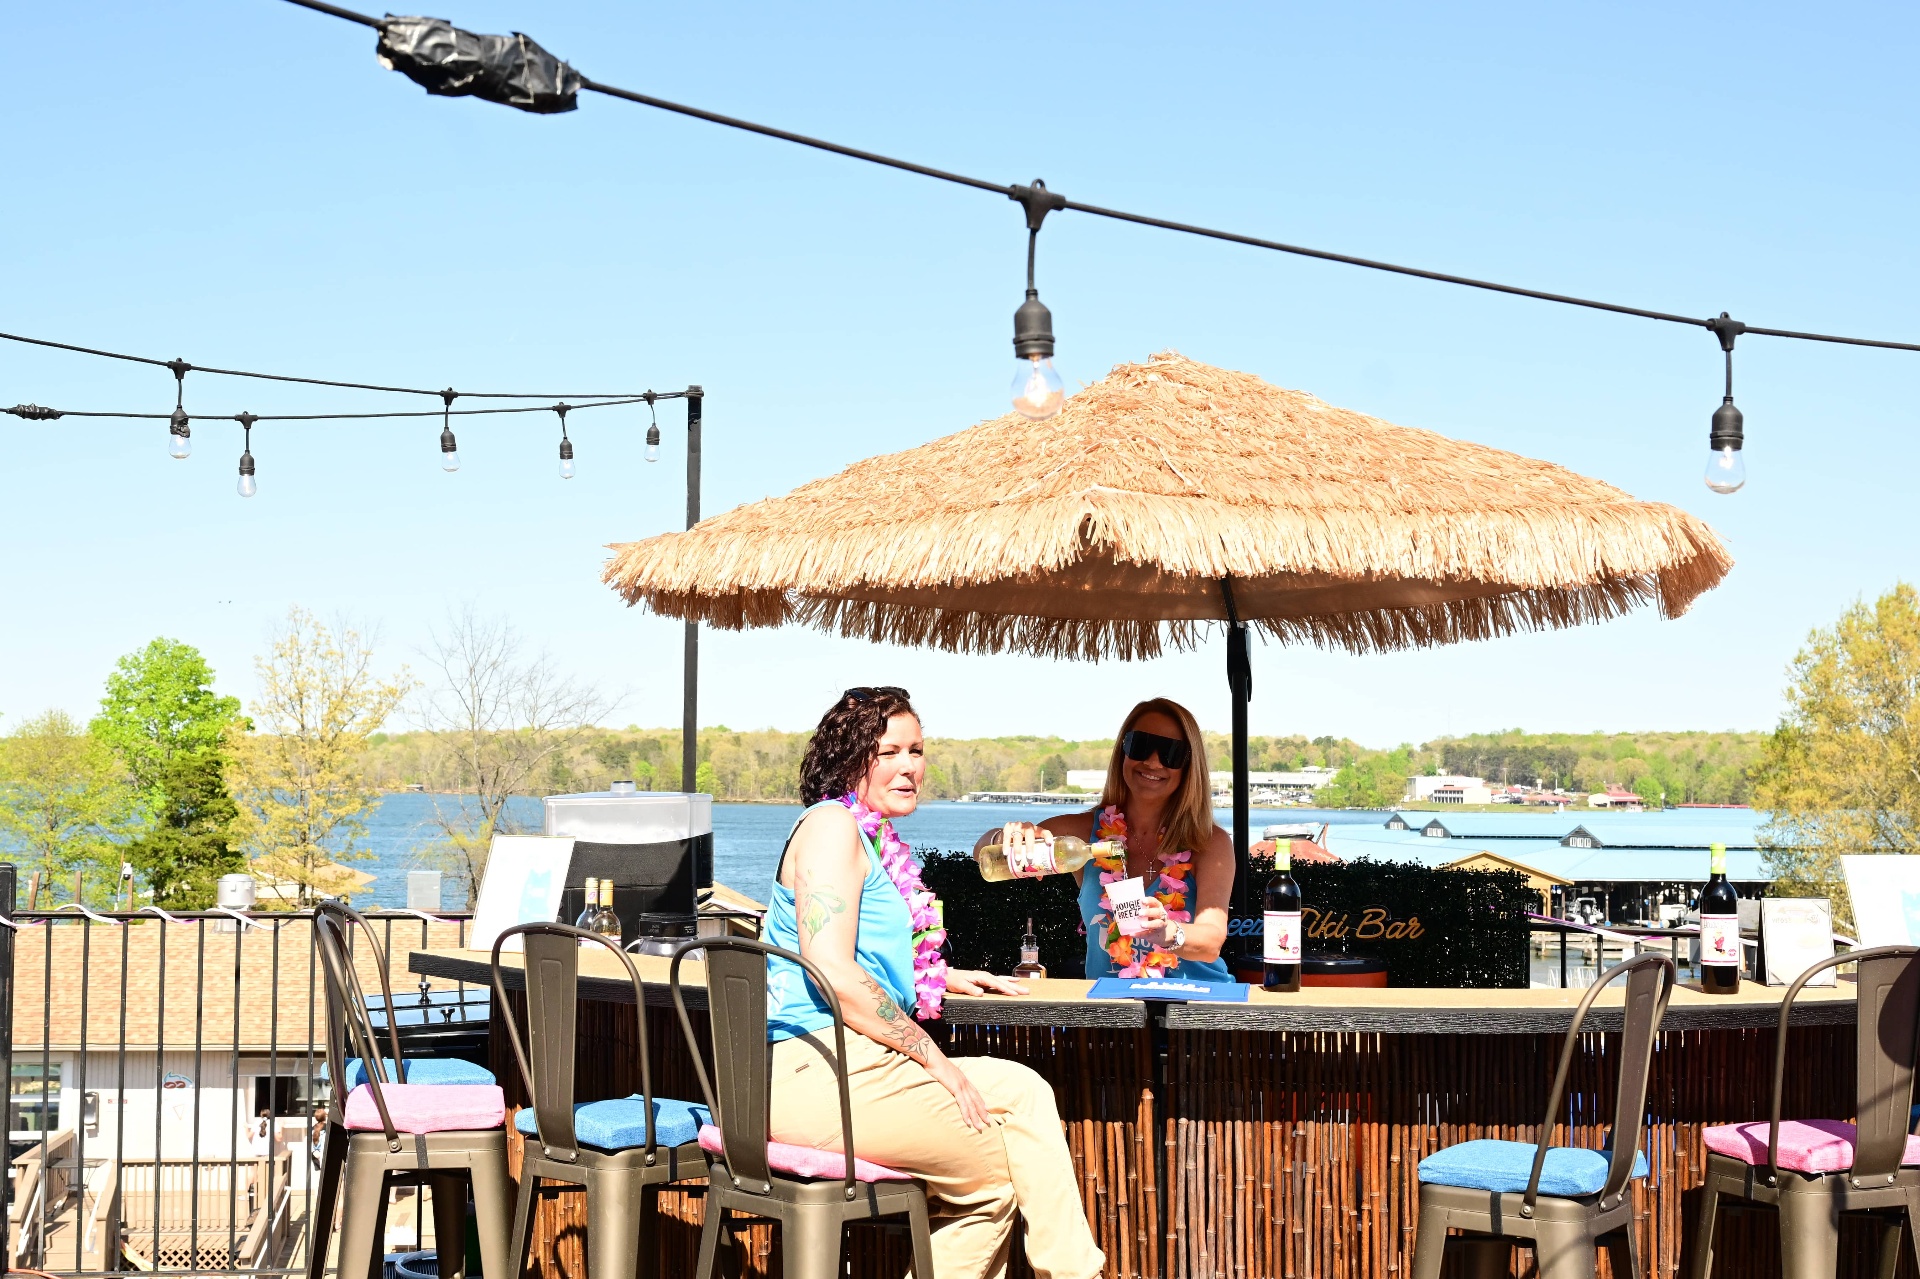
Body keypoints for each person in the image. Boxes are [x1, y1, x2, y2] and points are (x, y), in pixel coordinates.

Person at [763, 686, 1105, 1279]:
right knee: (991, 1177)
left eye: (916, 750)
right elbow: (833, 971)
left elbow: (861, 955)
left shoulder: (869, 837)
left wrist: (944, 974)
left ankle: (1072, 1270)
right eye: (888, 750)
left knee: (1023, 1091)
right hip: (816, 1070)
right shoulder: (830, 828)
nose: (909, 766)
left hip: (859, 1063)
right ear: (849, 756)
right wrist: (934, 1059)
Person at [977, 697, 1235, 982]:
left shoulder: (1209, 842)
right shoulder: (1081, 833)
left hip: (1196, 1011)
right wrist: (1006, 836)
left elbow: (1211, 941)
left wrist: (1169, 932)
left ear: (1188, 765)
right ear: (1123, 750)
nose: (1152, 761)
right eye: (1140, 745)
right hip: (1111, 1016)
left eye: (1171, 753)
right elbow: (983, 851)